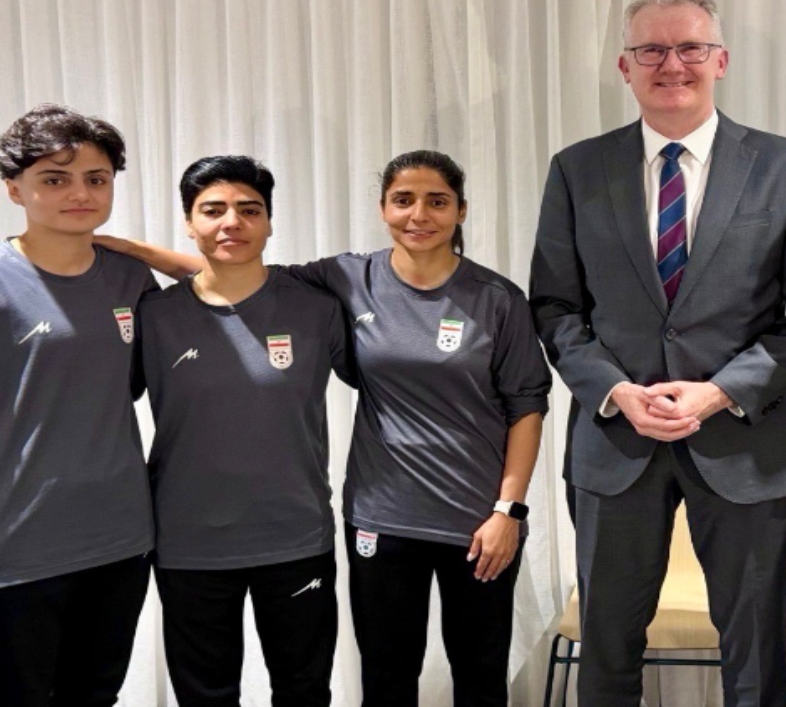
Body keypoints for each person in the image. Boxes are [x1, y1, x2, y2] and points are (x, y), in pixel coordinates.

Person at [100, 149, 550, 707]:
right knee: (385, 677)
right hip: (376, 517)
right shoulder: (345, 279)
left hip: (473, 519)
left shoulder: (494, 298)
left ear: (461, 210)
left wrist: (510, 510)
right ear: (382, 209)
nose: (419, 215)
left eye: (437, 201)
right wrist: (128, 250)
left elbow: (526, 406)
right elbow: (233, 269)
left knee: (478, 674)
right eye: (403, 200)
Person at [529, 0, 786, 707]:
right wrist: (615, 391)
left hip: (750, 447)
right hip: (616, 445)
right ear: (625, 67)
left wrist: (721, 391)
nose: (672, 64)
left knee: (756, 656)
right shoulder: (578, 170)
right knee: (607, 650)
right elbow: (554, 307)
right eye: (652, 50)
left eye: (690, 48)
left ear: (721, 60)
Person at [139, 156, 354, 706]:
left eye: (249, 210)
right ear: (189, 223)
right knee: (205, 696)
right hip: (188, 542)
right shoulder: (153, 315)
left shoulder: (317, 308)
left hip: (295, 535)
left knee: (304, 691)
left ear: (270, 222)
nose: (231, 222)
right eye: (213, 210)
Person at [0, 104, 156, 706]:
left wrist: (141, 251)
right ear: (15, 189)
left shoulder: (130, 280)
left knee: (94, 696)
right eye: (55, 179)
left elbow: (239, 285)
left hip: (119, 539)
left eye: (96, 179)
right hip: (18, 545)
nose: (80, 194)